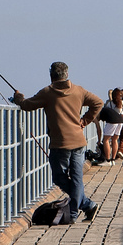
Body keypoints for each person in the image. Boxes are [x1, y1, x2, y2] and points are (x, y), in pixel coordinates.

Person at [13, 61, 103, 224]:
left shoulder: (47, 92)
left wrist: (18, 98)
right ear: (66, 75)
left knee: (59, 177)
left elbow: (26, 105)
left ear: (51, 76)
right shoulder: (79, 90)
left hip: (59, 143)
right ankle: (82, 208)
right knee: (76, 179)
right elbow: (98, 103)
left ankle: (84, 206)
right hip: (78, 141)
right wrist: (84, 121)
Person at [99, 89, 123, 162]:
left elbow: (106, 111)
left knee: (106, 140)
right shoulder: (121, 103)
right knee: (115, 140)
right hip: (120, 121)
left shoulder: (110, 103)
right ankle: (113, 159)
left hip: (112, 121)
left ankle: (108, 160)